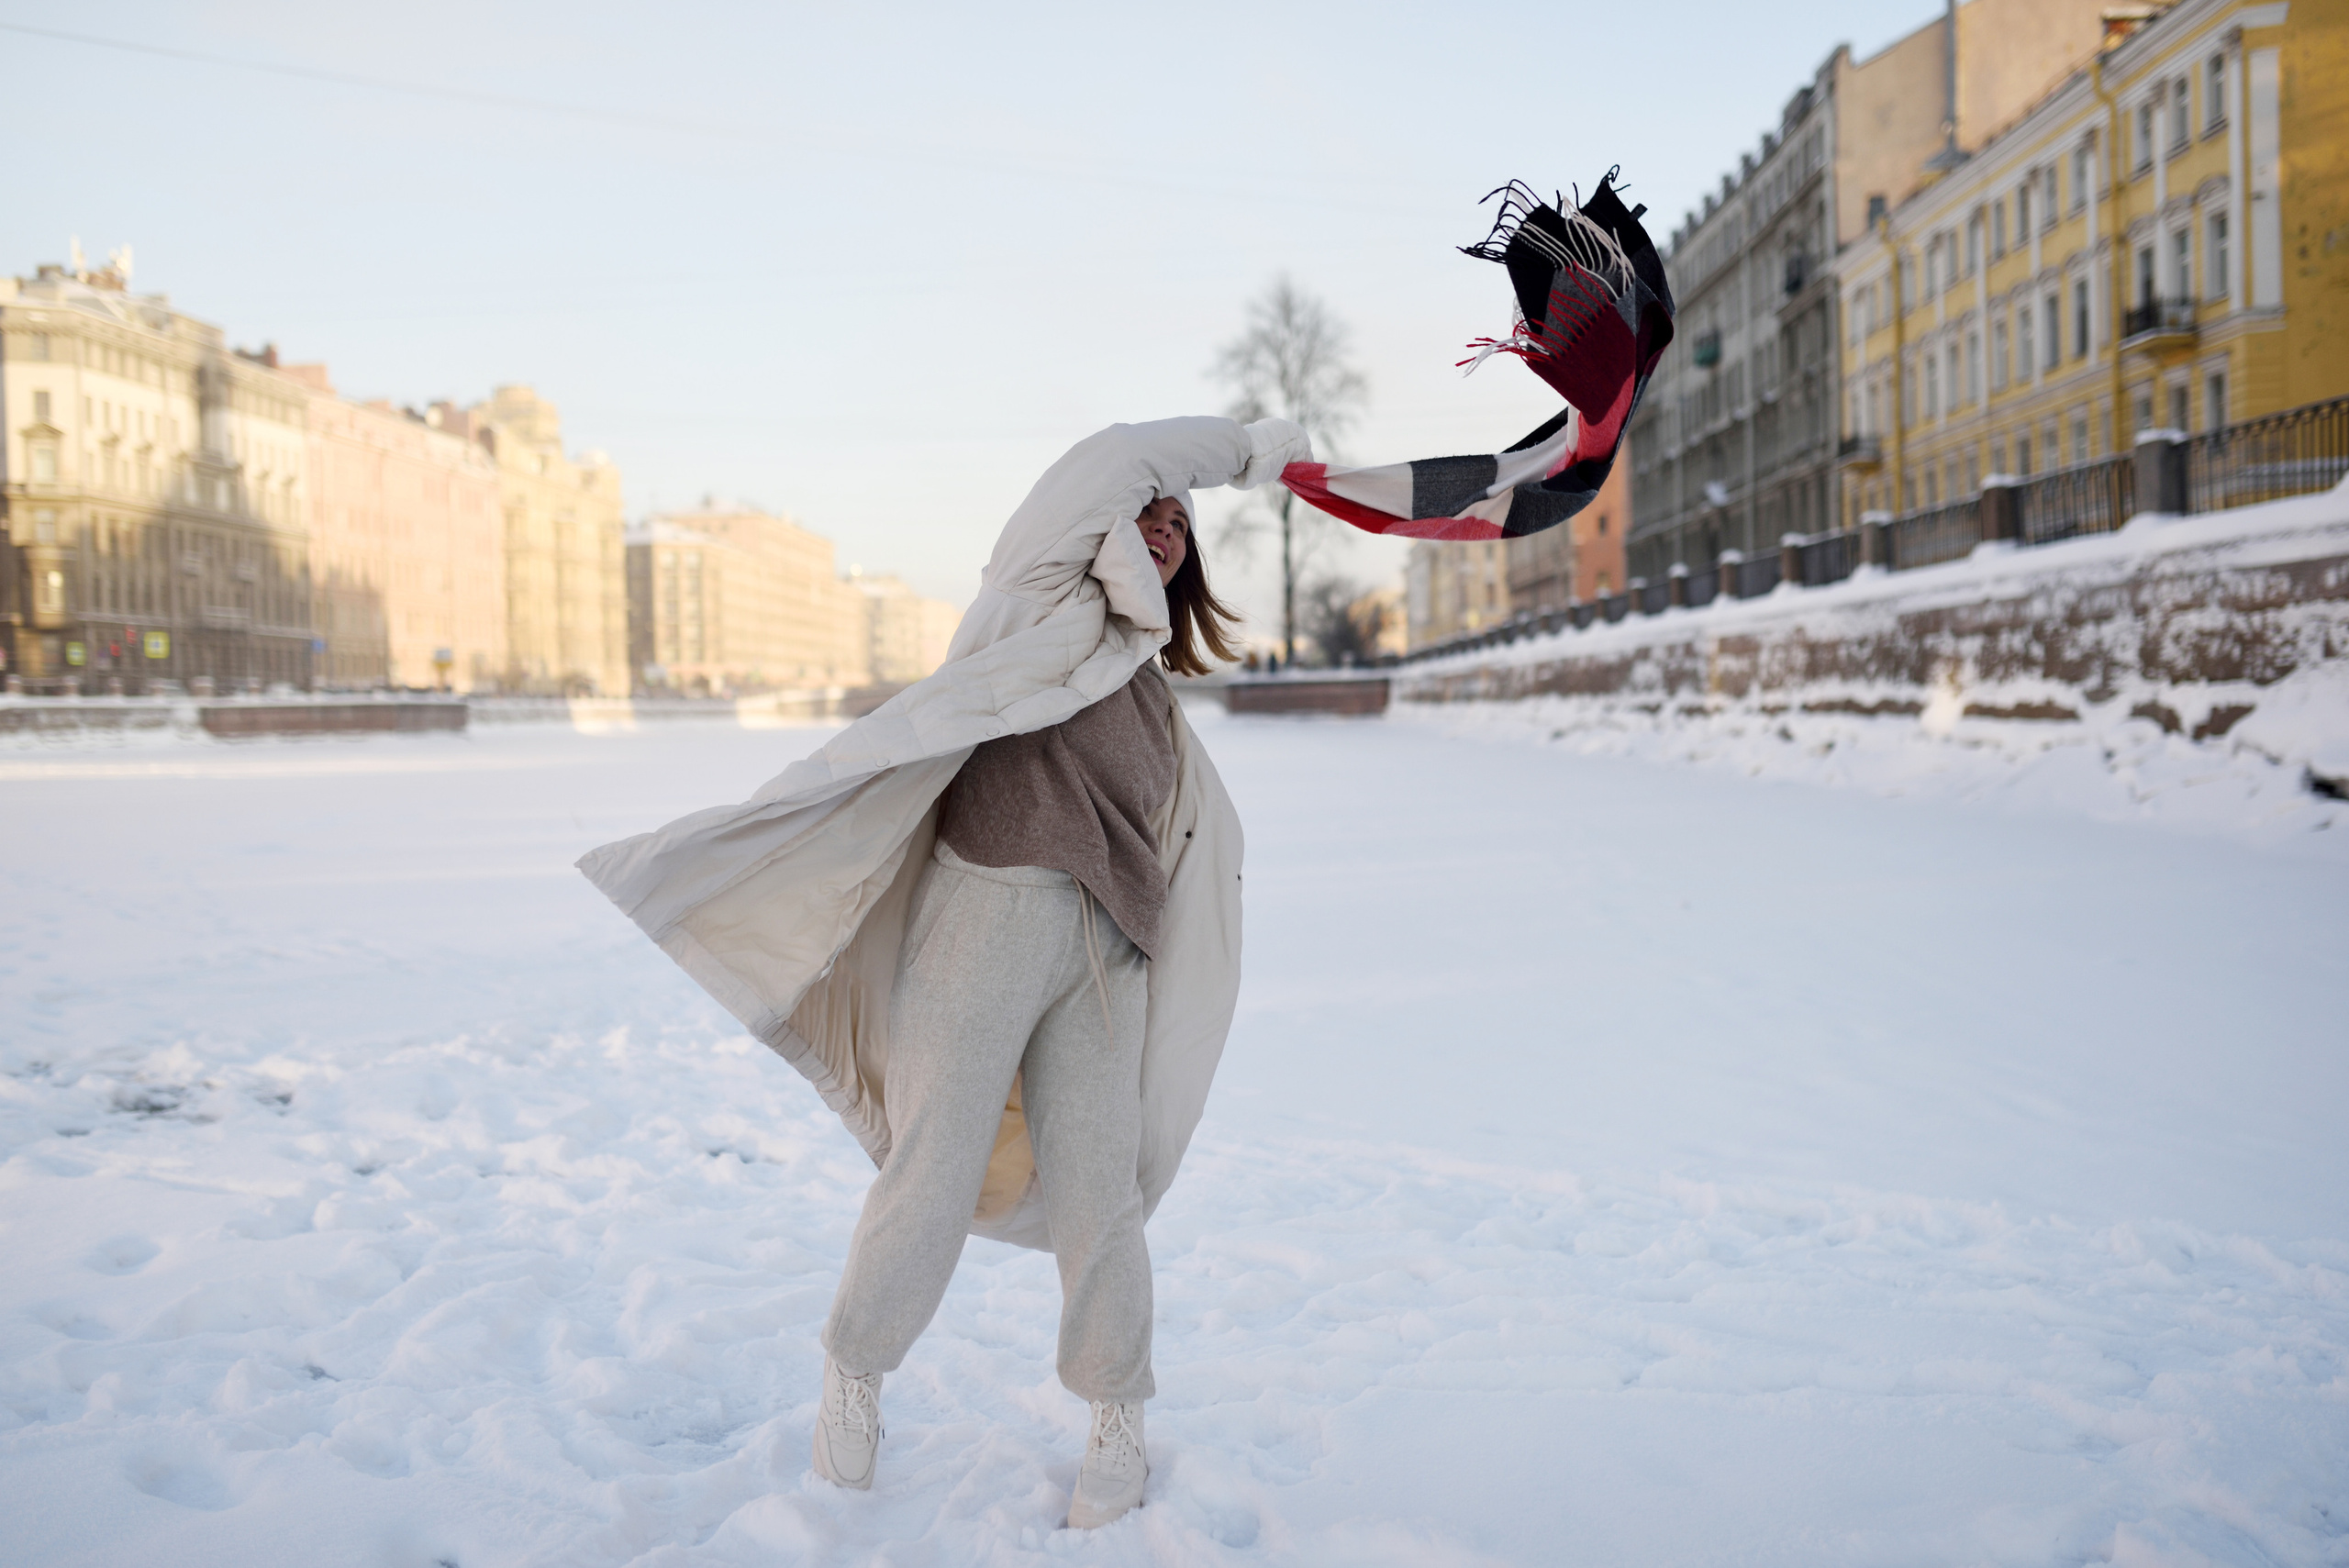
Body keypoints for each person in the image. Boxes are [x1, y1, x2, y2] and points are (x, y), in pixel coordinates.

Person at [576, 416, 1310, 1529]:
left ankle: (1116, 1410)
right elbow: (1119, 454)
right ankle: (853, 1378)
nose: (1163, 528)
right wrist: (1257, 450)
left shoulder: (1152, 690)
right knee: (931, 1168)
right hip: (988, 912)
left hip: (1107, 954)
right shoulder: (1037, 596)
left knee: (1101, 1195)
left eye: (1179, 525)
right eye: (1150, 512)